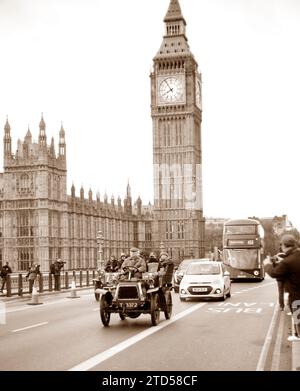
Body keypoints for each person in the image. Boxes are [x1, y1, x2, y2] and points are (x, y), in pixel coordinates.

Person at [264, 234, 300, 341]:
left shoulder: (287, 261)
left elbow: (274, 273)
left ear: (284, 245)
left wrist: (267, 265)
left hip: (296, 293)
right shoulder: (295, 255)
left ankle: (298, 336)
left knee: (297, 314)